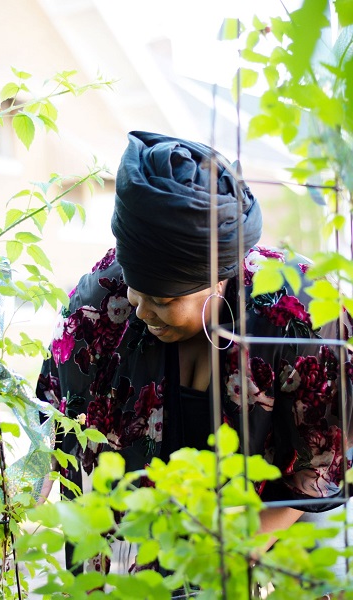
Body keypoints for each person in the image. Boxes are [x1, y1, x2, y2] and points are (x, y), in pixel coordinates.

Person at [36, 131, 353, 578]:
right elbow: (55, 428)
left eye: (164, 302)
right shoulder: (98, 308)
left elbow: (322, 461)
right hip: (118, 558)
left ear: (219, 279)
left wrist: (232, 559)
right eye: (137, 290)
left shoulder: (299, 318)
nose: (143, 311)